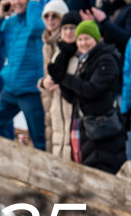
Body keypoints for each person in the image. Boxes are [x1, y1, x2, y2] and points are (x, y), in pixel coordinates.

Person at [49, 20, 127, 173]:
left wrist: (64, 78)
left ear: (97, 39)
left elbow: (92, 90)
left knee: (104, 172)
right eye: (80, 39)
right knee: (88, 170)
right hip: (88, 128)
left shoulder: (106, 59)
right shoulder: (85, 60)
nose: (83, 43)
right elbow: (75, 98)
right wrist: (61, 80)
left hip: (102, 129)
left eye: (87, 38)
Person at [0, 0, 47, 150]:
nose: (17, 1)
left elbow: (36, 29)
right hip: (10, 89)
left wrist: (34, 3)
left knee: (39, 137)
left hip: (30, 90)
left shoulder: (37, 19)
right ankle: (9, 155)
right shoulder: (10, 23)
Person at [41, 11, 80, 159]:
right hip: (56, 109)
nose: (69, 32)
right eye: (65, 29)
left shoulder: (81, 53)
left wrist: (62, 84)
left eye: (72, 28)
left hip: (73, 112)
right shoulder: (58, 53)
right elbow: (48, 76)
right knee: (56, 149)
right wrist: (44, 83)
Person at [80, 0, 131, 69]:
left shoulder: (129, 9)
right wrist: (93, 23)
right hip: (104, 61)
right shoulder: (104, 7)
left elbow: (127, 38)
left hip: (123, 64)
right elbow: (103, 35)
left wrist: (104, 21)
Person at [38, 0, 69, 152]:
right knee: (50, 139)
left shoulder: (65, 43)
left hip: (62, 98)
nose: (50, 19)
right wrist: (43, 82)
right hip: (48, 97)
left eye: (55, 16)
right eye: (46, 16)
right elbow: (46, 73)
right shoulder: (46, 43)